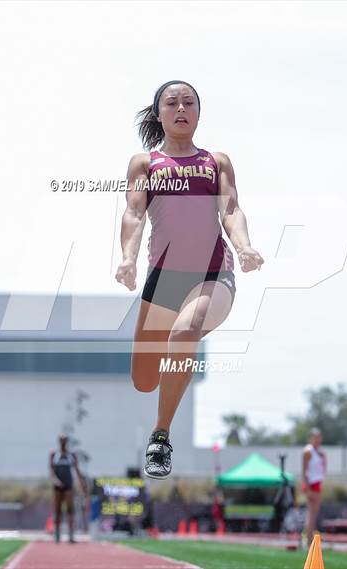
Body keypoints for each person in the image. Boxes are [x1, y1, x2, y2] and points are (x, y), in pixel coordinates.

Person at [116, 80, 264, 479]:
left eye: (189, 102)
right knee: (145, 380)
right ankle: (159, 413)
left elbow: (230, 209)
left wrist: (245, 246)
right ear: (159, 112)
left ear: (198, 112)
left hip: (213, 275)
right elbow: (133, 213)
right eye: (172, 102)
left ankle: (160, 437)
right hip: (163, 279)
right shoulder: (144, 164)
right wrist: (128, 259)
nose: (181, 108)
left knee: (185, 333)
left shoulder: (217, 162)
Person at [49, 434, 89, 543]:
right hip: (57, 486)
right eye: (61, 441)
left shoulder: (71, 455)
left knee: (70, 510)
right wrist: (56, 481)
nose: (63, 443)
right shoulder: (54, 454)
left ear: (67, 442)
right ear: (59, 442)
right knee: (57, 510)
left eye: (65, 441)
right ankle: (57, 534)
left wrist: (82, 484)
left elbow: (77, 470)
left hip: (68, 485)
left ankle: (71, 535)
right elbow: (51, 472)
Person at [302, 427, 327, 546]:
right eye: (315, 437)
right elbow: (304, 471)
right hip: (311, 483)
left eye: (319, 437)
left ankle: (310, 538)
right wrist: (307, 488)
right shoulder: (308, 451)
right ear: (311, 438)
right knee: (312, 513)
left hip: (317, 482)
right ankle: (308, 540)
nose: (317, 439)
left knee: (314, 513)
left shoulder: (320, 452)